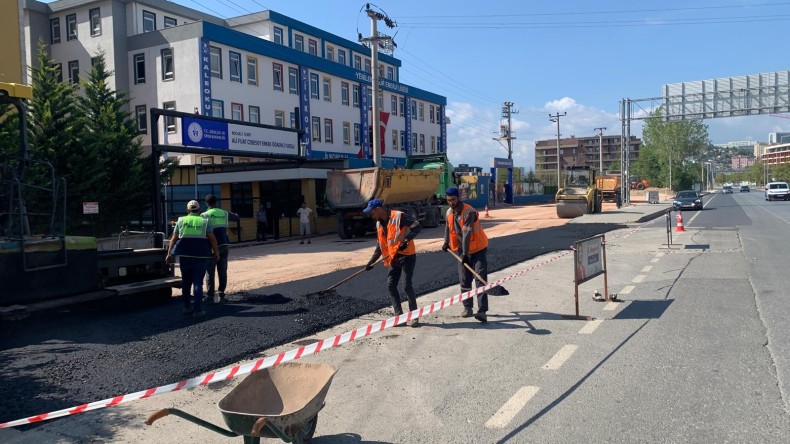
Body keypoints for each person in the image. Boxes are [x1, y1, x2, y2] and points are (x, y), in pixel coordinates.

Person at [363, 199, 422, 327]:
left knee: (406, 286)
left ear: (379, 209)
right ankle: (399, 316)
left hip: (407, 255)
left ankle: (414, 316)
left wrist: (406, 240)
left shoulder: (398, 216)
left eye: (372, 213)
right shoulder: (379, 224)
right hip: (393, 257)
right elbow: (380, 245)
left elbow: (417, 226)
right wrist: (371, 262)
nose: (371, 216)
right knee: (391, 285)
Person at [442, 186, 490, 323]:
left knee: (480, 279)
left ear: (459, 198)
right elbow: (447, 228)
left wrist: (466, 254)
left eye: (453, 199)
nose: (451, 203)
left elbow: (466, 233)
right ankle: (467, 308)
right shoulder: (449, 213)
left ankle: (482, 311)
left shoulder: (469, 212)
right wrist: (446, 243)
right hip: (462, 250)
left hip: (478, 249)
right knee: (464, 281)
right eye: (448, 200)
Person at [166, 200, 220, 318]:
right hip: (201, 256)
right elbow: (212, 239)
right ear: (199, 210)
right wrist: (216, 252)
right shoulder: (205, 221)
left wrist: (169, 254)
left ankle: (186, 307)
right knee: (197, 282)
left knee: (186, 282)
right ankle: (198, 310)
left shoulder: (181, 220)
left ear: (187, 210)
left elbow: (173, 239)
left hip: (185, 256)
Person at [202, 194, 239, 304]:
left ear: (206, 203)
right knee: (222, 271)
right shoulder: (223, 213)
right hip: (224, 245)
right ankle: (221, 296)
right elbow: (236, 218)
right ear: (216, 202)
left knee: (210, 272)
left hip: (211, 248)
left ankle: (210, 297)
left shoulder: (204, 215)